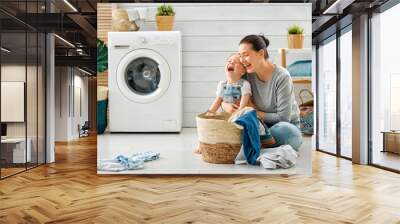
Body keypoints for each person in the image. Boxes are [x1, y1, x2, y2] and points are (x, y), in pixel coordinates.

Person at [223, 34, 302, 151]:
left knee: (285, 133)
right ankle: (259, 141)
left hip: (282, 126)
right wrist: (227, 106)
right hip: (257, 124)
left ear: (261, 53)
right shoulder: (246, 74)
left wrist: (252, 111)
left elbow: (283, 118)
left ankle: (254, 141)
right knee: (237, 123)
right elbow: (224, 95)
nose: (242, 60)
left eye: (246, 55)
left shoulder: (282, 77)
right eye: (240, 56)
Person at [195, 54, 275, 154]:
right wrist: (209, 113)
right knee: (211, 126)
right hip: (226, 115)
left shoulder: (244, 84)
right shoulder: (222, 84)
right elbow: (217, 101)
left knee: (250, 117)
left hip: (239, 113)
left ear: (242, 71)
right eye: (229, 61)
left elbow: (243, 104)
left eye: (235, 62)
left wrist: (237, 114)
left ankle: (262, 139)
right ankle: (202, 144)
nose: (231, 62)